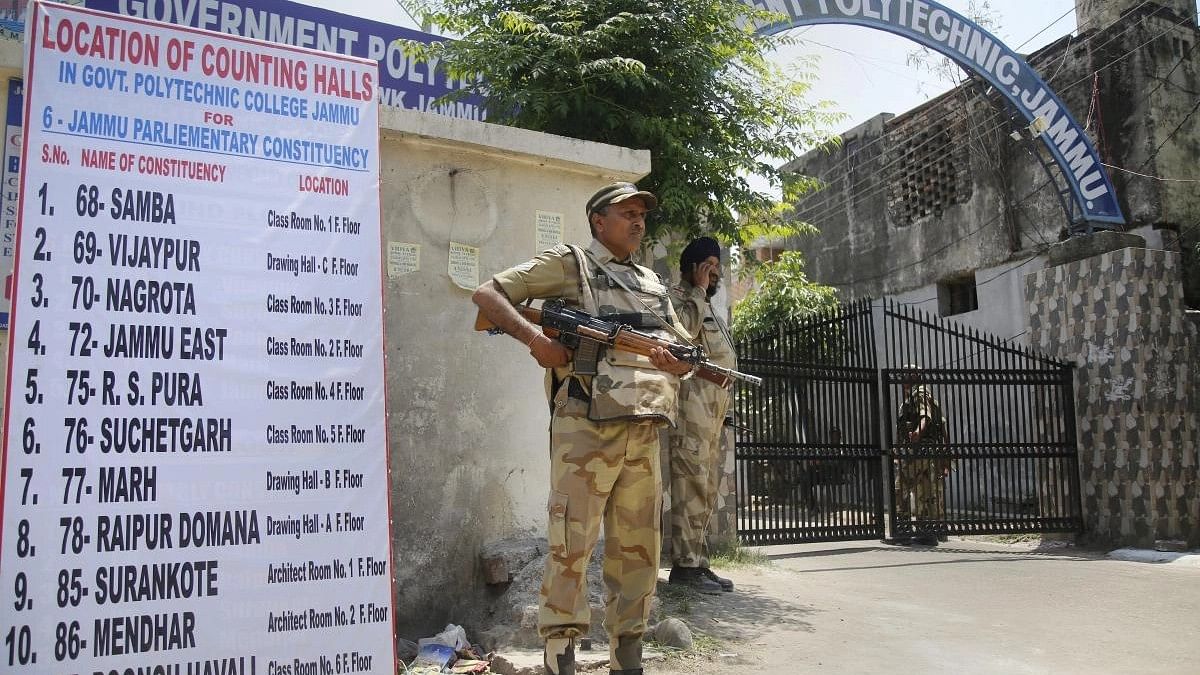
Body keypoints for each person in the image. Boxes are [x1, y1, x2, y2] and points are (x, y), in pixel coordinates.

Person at [472, 182, 693, 675]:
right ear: (598, 221)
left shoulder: (653, 283)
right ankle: (559, 656)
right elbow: (488, 294)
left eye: (641, 214)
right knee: (571, 544)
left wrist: (676, 364)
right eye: (626, 213)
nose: (637, 221)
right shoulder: (571, 264)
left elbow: (680, 351)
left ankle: (627, 656)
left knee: (638, 552)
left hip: (643, 429)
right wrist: (535, 340)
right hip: (585, 430)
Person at [666, 236, 737, 594]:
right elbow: (683, 335)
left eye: (717, 266)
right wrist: (696, 290)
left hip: (712, 412)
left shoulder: (707, 305)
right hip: (691, 409)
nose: (714, 272)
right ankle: (684, 568)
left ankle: (699, 561)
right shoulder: (680, 301)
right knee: (691, 486)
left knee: (706, 490)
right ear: (692, 268)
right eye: (707, 265)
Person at [892, 367, 950, 546]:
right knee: (924, 492)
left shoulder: (920, 393)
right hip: (925, 452)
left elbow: (926, 416)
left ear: (915, 376)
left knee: (900, 487)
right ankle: (928, 531)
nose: (902, 380)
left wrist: (917, 432)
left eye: (905, 376)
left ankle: (903, 530)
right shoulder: (914, 397)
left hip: (919, 451)